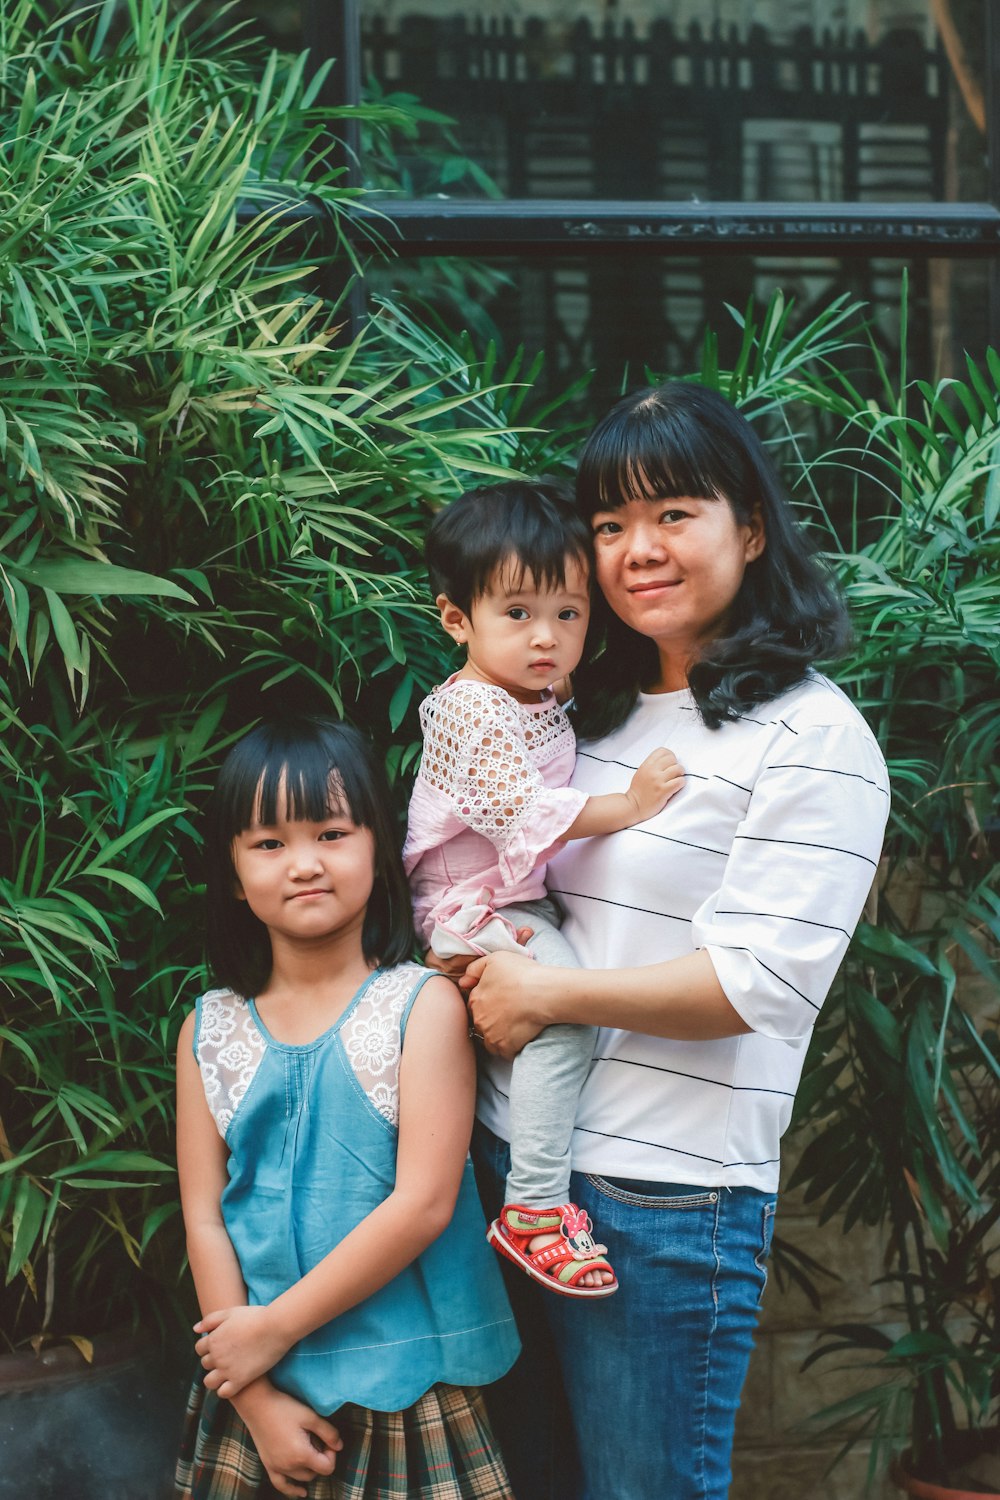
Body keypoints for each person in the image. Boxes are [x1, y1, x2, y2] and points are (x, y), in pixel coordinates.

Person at [459, 384, 891, 1500]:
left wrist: (545, 999)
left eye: (671, 515)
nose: (636, 551)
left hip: (661, 1203)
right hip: (511, 1171)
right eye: (608, 525)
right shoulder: (575, 715)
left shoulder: (811, 734)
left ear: (748, 526)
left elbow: (754, 984)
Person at [174, 715, 519, 1500]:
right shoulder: (209, 1028)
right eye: (268, 844)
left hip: (407, 1379)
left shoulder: (420, 1004)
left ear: (377, 847)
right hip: (260, 1387)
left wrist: (271, 1331)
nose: (303, 864)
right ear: (232, 873)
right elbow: (204, 1216)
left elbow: (424, 1204)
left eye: (331, 833)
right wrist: (253, 1392)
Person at [403, 481, 684, 1299]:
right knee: (561, 1019)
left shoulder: (540, 693)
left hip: (511, 903)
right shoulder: (467, 711)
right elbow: (523, 813)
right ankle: (532, 1210)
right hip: (468, 910)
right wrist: (631, 806)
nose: (547, 638)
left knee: (557, 1013)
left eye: (568, 614)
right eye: (518, 615)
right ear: (457, 620)